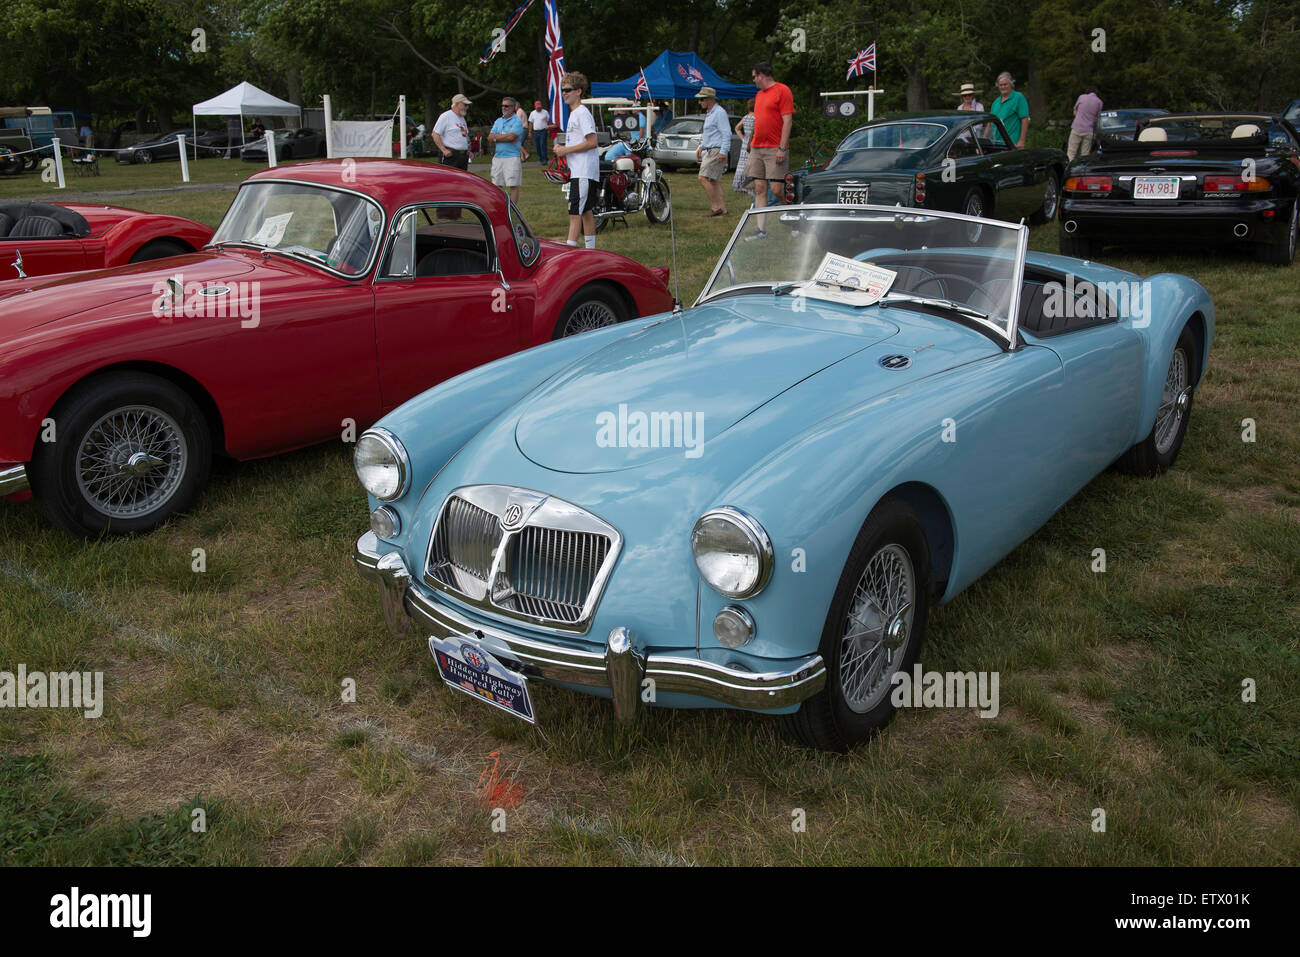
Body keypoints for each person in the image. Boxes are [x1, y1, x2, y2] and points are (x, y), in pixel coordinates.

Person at [744, 60, 795, 240]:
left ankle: (793, 217)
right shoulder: (759, 95)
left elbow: (787, 121)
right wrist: (750, 141)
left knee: (777, 190)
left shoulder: (782, 90)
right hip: (758, 147)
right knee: (759, 187)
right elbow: (759, 121)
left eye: (754, 77)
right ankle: (761, 230)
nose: (753, 80)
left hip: (775, 148)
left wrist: (782, 147)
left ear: (762, 75)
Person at [554, 72, 599, 248]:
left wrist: (565, 150)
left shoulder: (581, 113)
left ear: (578, 91)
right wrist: (563, 150)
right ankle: (591, 251)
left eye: (568, 90)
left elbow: (592, 142)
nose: (564, 93)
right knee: (586, 212)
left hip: (583, 171)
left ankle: (569, 251)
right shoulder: (575, 114)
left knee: (575, 214)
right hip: (581, 171)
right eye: (562, 90)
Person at [695, 87, 730, 216]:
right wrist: (702, 146)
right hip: (711, 149)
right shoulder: (710, 113)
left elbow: (726, 133)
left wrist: (723, 151)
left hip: (717, 150)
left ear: (710, 99)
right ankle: (723, 209)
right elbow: (710, 134)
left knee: (702, 178)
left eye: (702, 99)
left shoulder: (719, 113)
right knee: (714, 180)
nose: (700, 102)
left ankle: (716, 208)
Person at [489, 96, 525, 203]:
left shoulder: (517, 121)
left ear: (513, 108)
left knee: (513, 185)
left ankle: (513, 211)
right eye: (502, 106)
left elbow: (512, 137)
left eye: (506, 106)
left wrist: (497, 137)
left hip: (512, 157)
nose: (503, 108)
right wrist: (503, 137)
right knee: (496, 185)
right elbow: (490, 137)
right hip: (498, 157)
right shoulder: (498, 121)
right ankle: (500, 207)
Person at [433, 93, 472, 169]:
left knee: (462, 179)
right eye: (465, 105)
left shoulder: (462, 119)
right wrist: (444, 150)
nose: (467, 107)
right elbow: (435, 134)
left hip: (463, 156)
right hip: (451, 156)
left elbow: (464, 134)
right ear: (457, 104)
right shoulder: (446, 116)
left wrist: (467, 148)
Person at [990, 72, 1029, 148]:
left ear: (1011, 84)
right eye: (1001, 85)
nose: (1003, 87)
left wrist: (1022, 141)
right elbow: (989, 124)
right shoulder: (995, 102)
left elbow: (1025, 119)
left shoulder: (1018, 97)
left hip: (1013, 143)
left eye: (1005, 84)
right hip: (997, 143)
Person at [1069, 85, 1104, 161]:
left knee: (1071, 152)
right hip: (1088, 130)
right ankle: (1083, 170)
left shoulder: (1082, 97)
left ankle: (1068, 169)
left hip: (1076, 128)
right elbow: (1096, 118)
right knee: (1085, 155)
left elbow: (1075, 111)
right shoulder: (1099, 102)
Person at [732, 99, 755, 196]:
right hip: (753, 145)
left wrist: (743, 138)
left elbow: (737, 128)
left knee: (743, 166)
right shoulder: (757, 118)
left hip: (745, 144)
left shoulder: (746, 117)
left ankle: (739, 184)